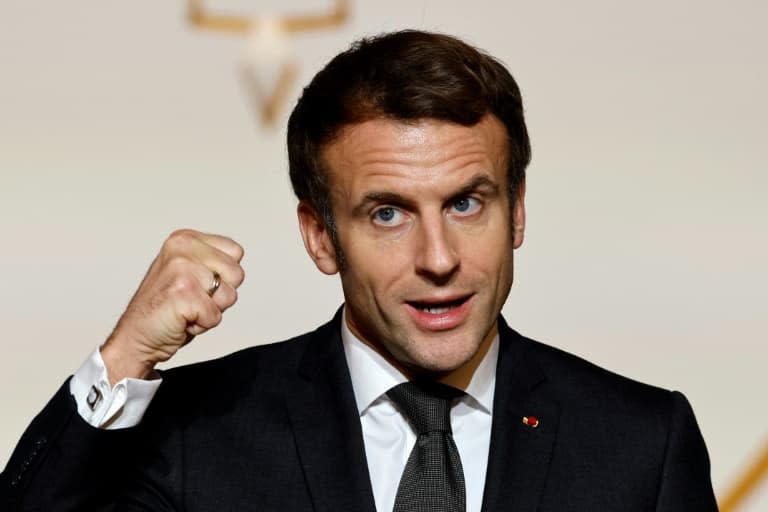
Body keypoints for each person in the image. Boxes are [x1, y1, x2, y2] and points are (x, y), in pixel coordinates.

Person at [1, 30, 717, 511]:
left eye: (467, 202)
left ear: (518, 211)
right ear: (320, 236)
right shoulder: (198, 434)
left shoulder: (641, 445)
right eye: (387, 214)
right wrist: (123, 358)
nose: (439, 259)